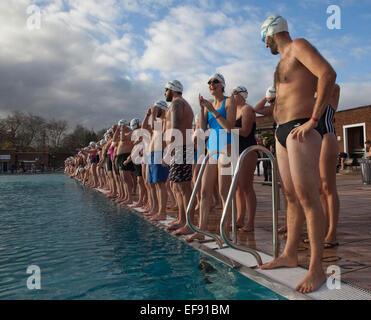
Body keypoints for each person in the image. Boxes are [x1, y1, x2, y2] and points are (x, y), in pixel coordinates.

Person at [259, 14, 337, 294]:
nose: (264, 44)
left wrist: (314, 120)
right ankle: (290, 253)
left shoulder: (298, 46)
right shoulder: (280, 62)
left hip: (300, 126)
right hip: (282, 131)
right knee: (290, 196)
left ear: (270, 33)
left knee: (308, 196)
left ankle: (316, 268)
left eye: (263, 39)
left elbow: (328, 74)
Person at [186, 73, 237, 243]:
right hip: (211, 150)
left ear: (222, 85)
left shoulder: (229, 101)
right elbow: (202, 129)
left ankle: (225, 232)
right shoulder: (209, 106)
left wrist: (213, 110)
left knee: (224, 192)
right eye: (209, 82)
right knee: (204, 191)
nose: (211, 84)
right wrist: (202, 108)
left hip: (227, 150)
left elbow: (229, 127)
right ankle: (201, 230)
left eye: (215, 82)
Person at [162, 80, 195, 236]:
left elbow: (175, 128)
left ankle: (189, 223)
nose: (164, 93)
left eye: (166, 90)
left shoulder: (177, 104)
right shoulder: (179, 103)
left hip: (181, 147)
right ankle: (182, 219)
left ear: (172, 90)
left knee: (184, 187)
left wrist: (169, 151)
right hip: (180, 147)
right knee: (177, 186)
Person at [231, 86, 258, 232]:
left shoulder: (247, 109)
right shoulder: (234, 111)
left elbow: (246, 131)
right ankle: (240, 219)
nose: (231, 95)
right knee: (238, 188)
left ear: (241, 95)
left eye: (234, 93)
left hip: (248, 150)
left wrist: (228, 128)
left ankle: (251, 222)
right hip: (237, 151)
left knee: (247, 187)